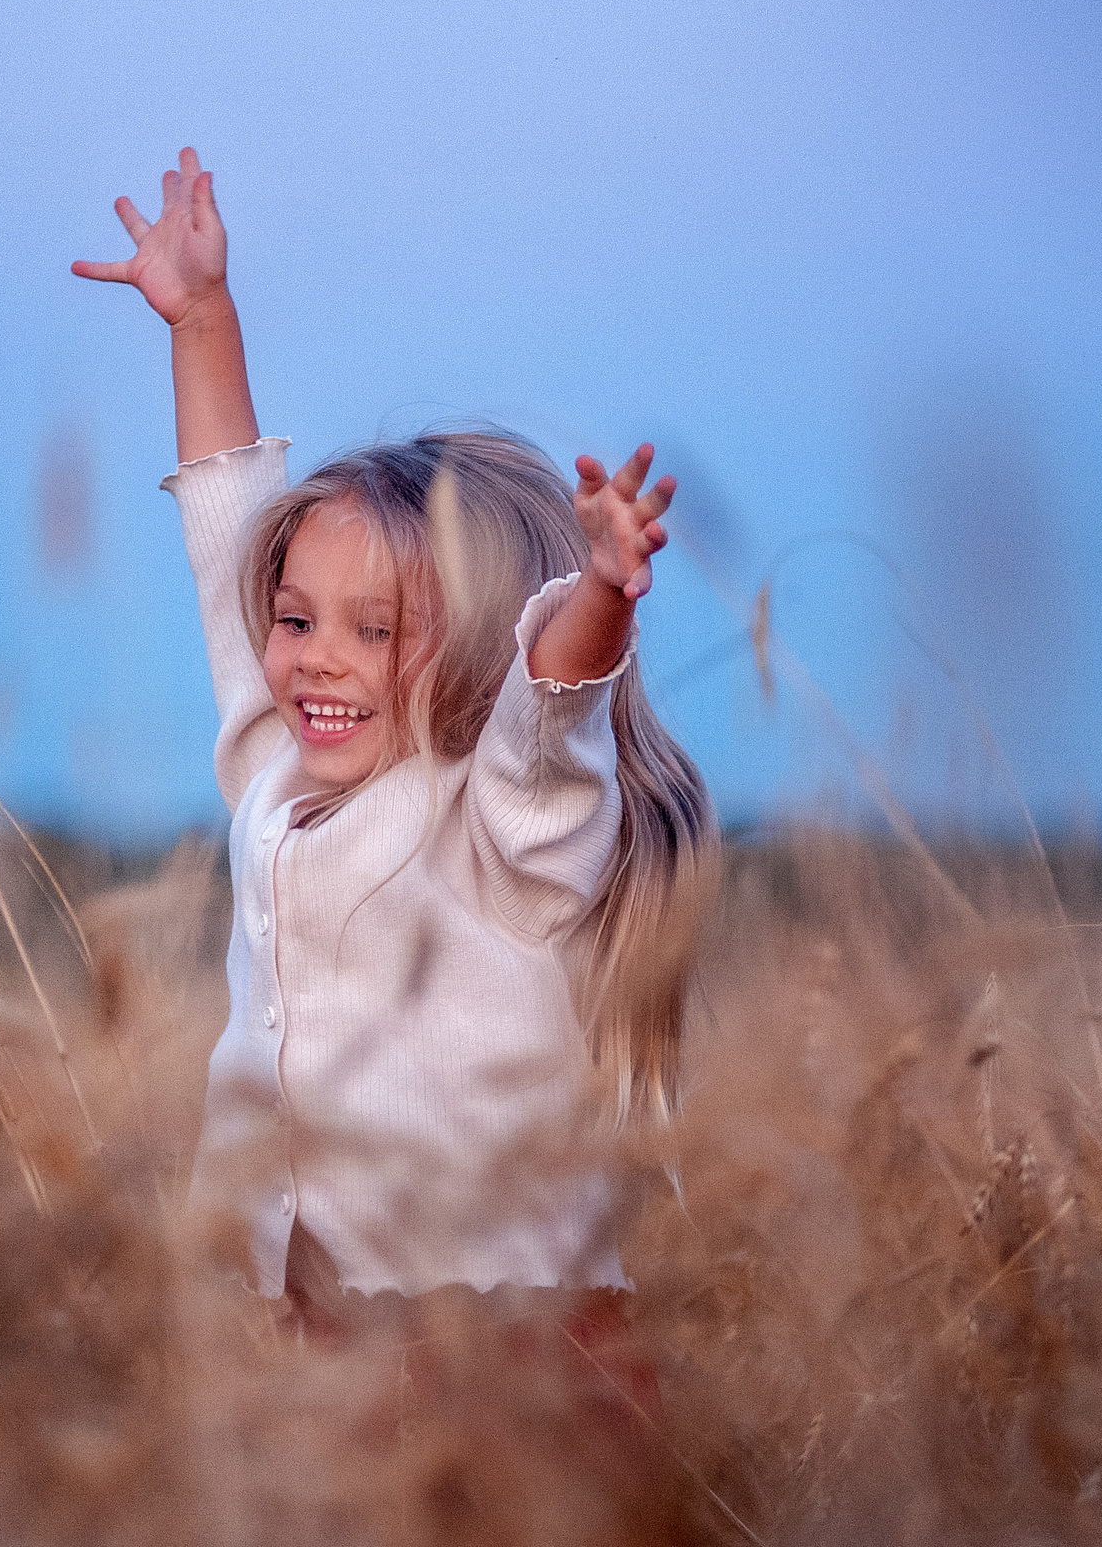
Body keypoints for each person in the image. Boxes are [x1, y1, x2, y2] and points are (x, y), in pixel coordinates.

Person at [72, 148, 716, 1340]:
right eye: (299, 619)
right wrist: (203, 319)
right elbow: (229, 553)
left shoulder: (509, 822)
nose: (317, 655)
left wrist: (602, 596)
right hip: (304, 1320)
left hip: (507, 1333)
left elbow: (551, 715)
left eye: (376, 631)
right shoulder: (277, 769)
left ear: (479, 653)